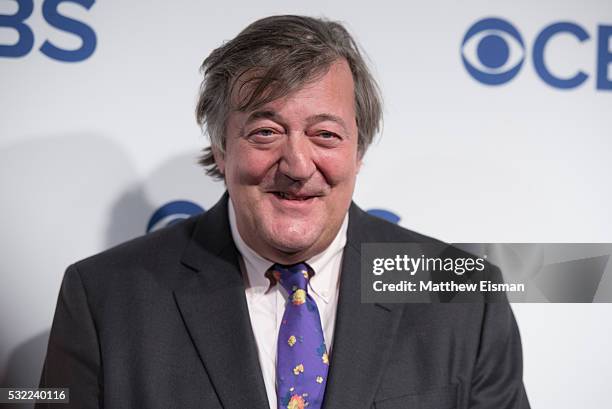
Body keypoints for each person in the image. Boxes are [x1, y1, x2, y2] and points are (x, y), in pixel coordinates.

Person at [38, 15, 530, 409]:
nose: (297, 166)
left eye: (325, 135)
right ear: (221, 147)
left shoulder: (462, 297)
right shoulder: (103, 299)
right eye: (266, 132)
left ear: (359, 150)